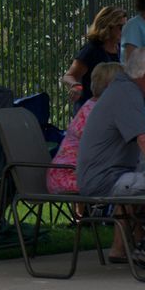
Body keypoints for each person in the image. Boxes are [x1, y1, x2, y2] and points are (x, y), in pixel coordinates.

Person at [74, 46, 145, 267]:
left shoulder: (123, 90)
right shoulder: (127, 93)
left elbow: (138, 131)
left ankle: (127, 246)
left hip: (105, 175)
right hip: (107, 180)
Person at [47, 61, 122, 194]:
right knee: (129, 183)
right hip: (71, 176)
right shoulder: (100, 112)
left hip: (65, 174)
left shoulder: (91, 105)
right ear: (111, 86)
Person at [63, 6, 126, 106]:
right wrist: (75, 86)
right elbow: (69, 76)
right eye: (121, 27)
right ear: (108, 26)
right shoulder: (91, 50)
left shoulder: (121, 47)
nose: (125, 31)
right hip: (90, 108)